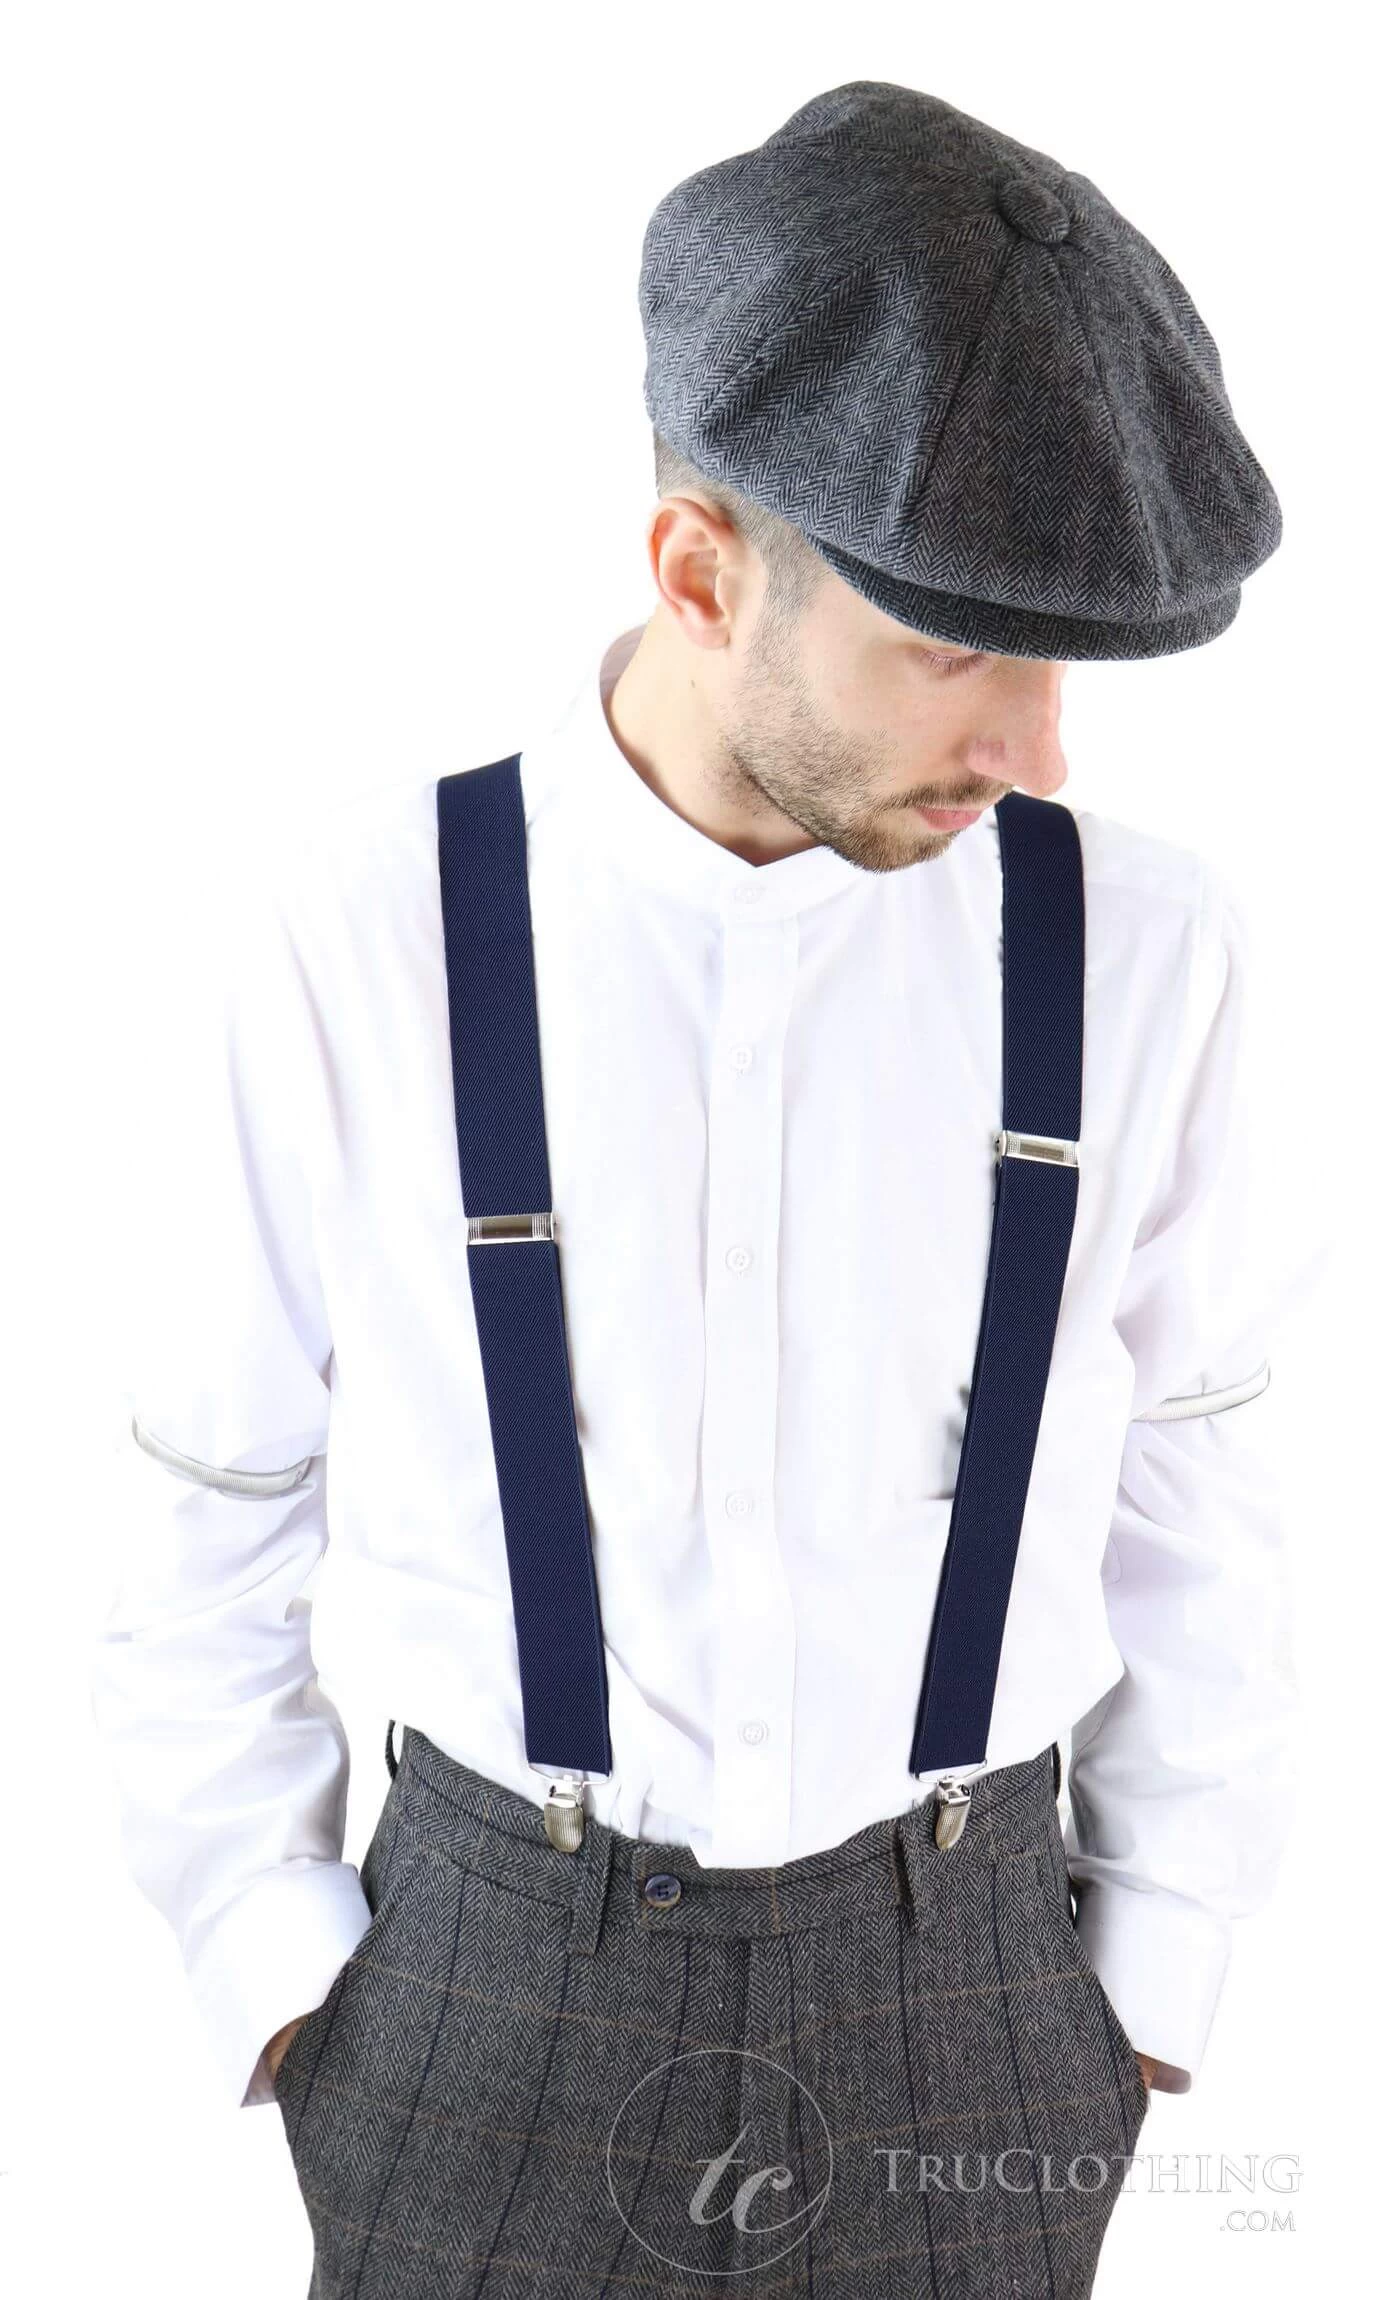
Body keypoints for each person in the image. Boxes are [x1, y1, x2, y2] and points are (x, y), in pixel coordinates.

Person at [91, 80, 1294, 2298]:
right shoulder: (361, 933)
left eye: (1063, 656)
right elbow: (211, 1494)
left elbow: (1202, 1483)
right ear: (700, 570)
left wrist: (1149, 1988)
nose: (1039, 748)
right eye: (957, 646)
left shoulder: (1146, 949)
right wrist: (281, 1975)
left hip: (977, 1993)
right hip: (479, 1986)